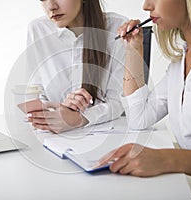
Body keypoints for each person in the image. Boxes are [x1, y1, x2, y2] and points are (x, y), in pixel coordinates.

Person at [97, 0, 191, 199]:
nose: (146, 6)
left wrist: (167, 159)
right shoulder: (181, 62)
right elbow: (139, 118)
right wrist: (133, 50)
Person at [26, 0, 127, 133]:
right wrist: (59, 111)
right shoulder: (38, 30)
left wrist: (78, 118)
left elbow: (118, 101)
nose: (51, 7)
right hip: (54, 138)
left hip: (106, 136)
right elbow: (36, 94)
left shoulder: (118, 27)